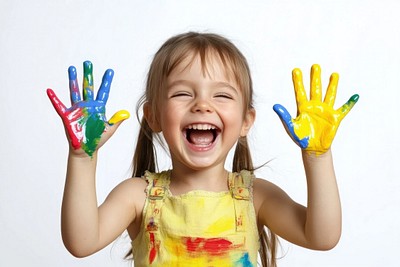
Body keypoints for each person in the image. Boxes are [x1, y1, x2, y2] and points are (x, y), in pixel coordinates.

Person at [46, 32, 359, 267]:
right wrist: (82, 157)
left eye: (221, 96)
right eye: (182, 93)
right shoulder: (138, 196)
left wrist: (318, 157)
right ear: (153, 116)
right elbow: (81, 242)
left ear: (246, 121)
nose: (202, 105)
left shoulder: (256, 196)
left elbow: (322, 237)